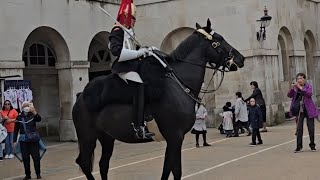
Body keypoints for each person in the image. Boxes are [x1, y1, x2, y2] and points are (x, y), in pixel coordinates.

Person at [109, 0, 154, 140]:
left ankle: (148, 114)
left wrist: (145, 50)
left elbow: (133, 49)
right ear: (127, 16)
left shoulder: (129, 31)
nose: (135, 21)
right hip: (123, 66)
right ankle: (138, 126)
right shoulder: (118, 30)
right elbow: (116, 50)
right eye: (133, 18)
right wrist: (139, 53)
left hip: (133, 64)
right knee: (139, 85)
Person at [288, 73, 318, 153]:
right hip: (299, 110)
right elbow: (289, 95)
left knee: (311, 128)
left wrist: (301, 88)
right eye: (298, 79)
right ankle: (299, 146)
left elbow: (309, 94)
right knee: (299, 129)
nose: (299, 80)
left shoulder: (308, 86)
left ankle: (312, 145)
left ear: (304, 79)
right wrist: (291, 89)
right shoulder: (295, 88)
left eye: (301, 78)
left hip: (309, 110)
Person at [14, 101, 42, 179]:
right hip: (23, 141)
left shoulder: (33, 115)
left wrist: (34, 111)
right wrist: (14, 140)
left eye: (28, 106)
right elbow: (16, 129)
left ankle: (38, 174)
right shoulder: (19, 117)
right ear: (22, 108)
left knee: (36, 157)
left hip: (33, 140)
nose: (26, 107)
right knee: (25, 158)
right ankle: (27, 175)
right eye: (25, 106)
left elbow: (39, 119)